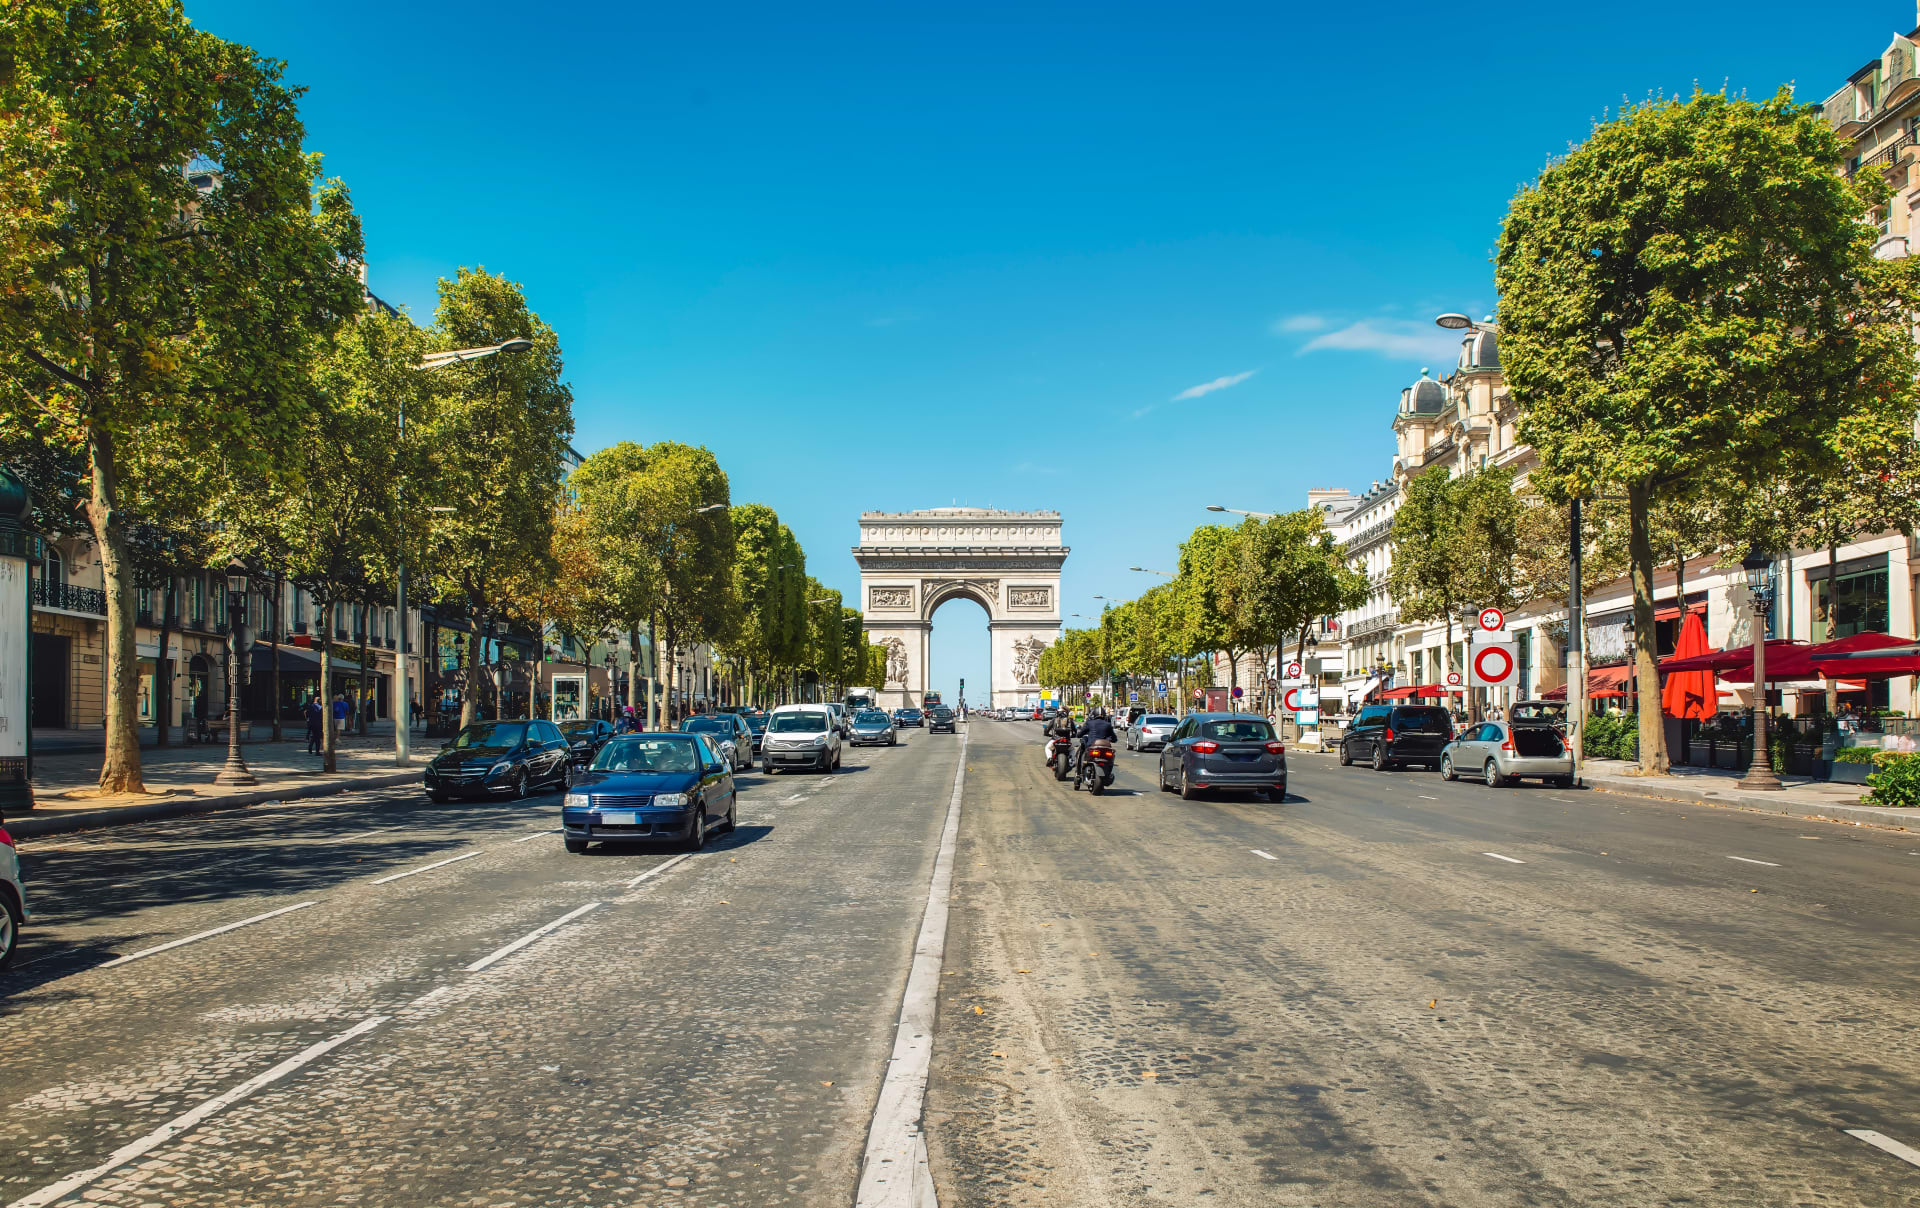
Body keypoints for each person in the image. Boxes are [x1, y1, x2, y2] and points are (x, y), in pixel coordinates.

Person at [1075, 707, 1119, 772]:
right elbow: (1114, 738)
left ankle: (1078, 771)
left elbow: (1080, 734)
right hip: (1105, 747)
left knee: (1082, 746)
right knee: (1111, 758)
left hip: (1091, 746)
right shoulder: (1108, 724)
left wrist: (1079, 735)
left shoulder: (1090, 723)